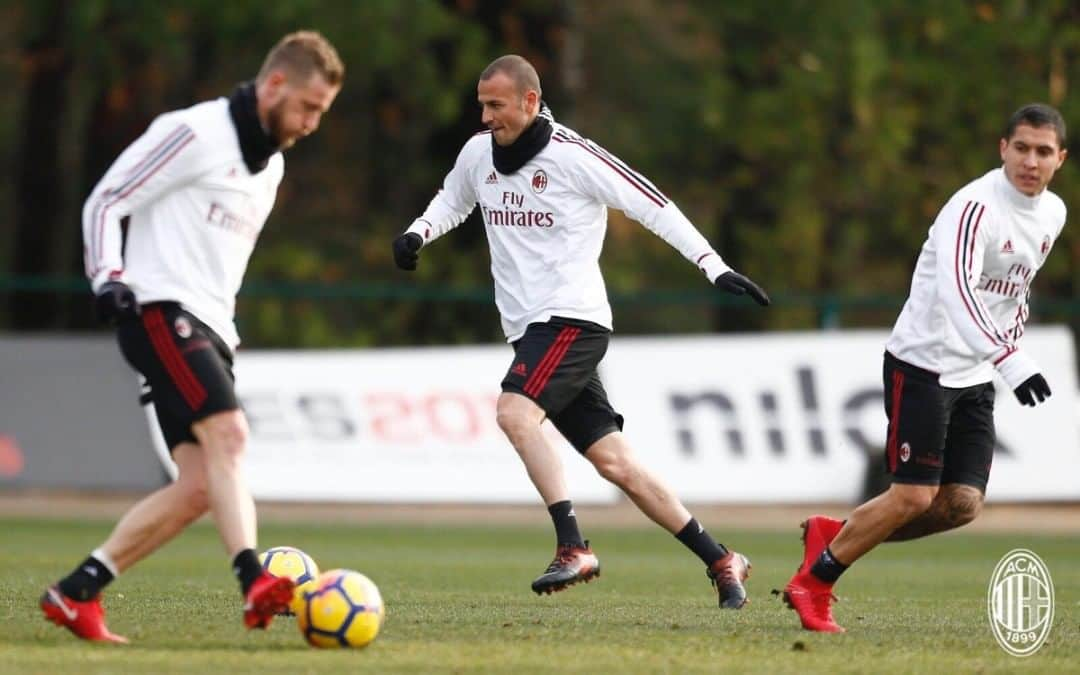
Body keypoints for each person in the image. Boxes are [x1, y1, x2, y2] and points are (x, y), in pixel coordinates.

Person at [392, 54, 769, 608]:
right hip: (530, 330)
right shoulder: (478, 154)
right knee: (615, 462)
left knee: (514, 413)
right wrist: (419, 232)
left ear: (529, 100)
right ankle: (720, 558)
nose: (485, 117)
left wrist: (712, 265)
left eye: (495, 106)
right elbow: (455, 199)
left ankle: (573, 545)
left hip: (572, 319)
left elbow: (652, 205)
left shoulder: (572, 157)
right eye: (481, 105)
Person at [41, 31, 343, 643]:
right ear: (276, 85)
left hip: (209, 327)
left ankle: (77, 592)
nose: (313, 122)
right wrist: (108, 278)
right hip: (155, 309)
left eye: (322, 113)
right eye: (308, 107)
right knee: (230, 435)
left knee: (200, 485)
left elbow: (218, 262)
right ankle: (254, 579)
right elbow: (106, 200)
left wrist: (227, 338)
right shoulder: (195, 132)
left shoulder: (272, 166)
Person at [783, 103, 1068, 633]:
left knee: (961, 505)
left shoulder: (1053, 214)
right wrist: (1012, 358)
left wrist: (1004, 347)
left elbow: (1015, 293)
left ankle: (834, 534)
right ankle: (814, 582)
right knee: (913, 495)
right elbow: (958, 293)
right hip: (925, 364)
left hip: (975, 372)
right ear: (1003, 148)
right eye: (1022, 147)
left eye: (1043, 151)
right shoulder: (974, 207)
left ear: (1060, 159)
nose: (1031, 160)